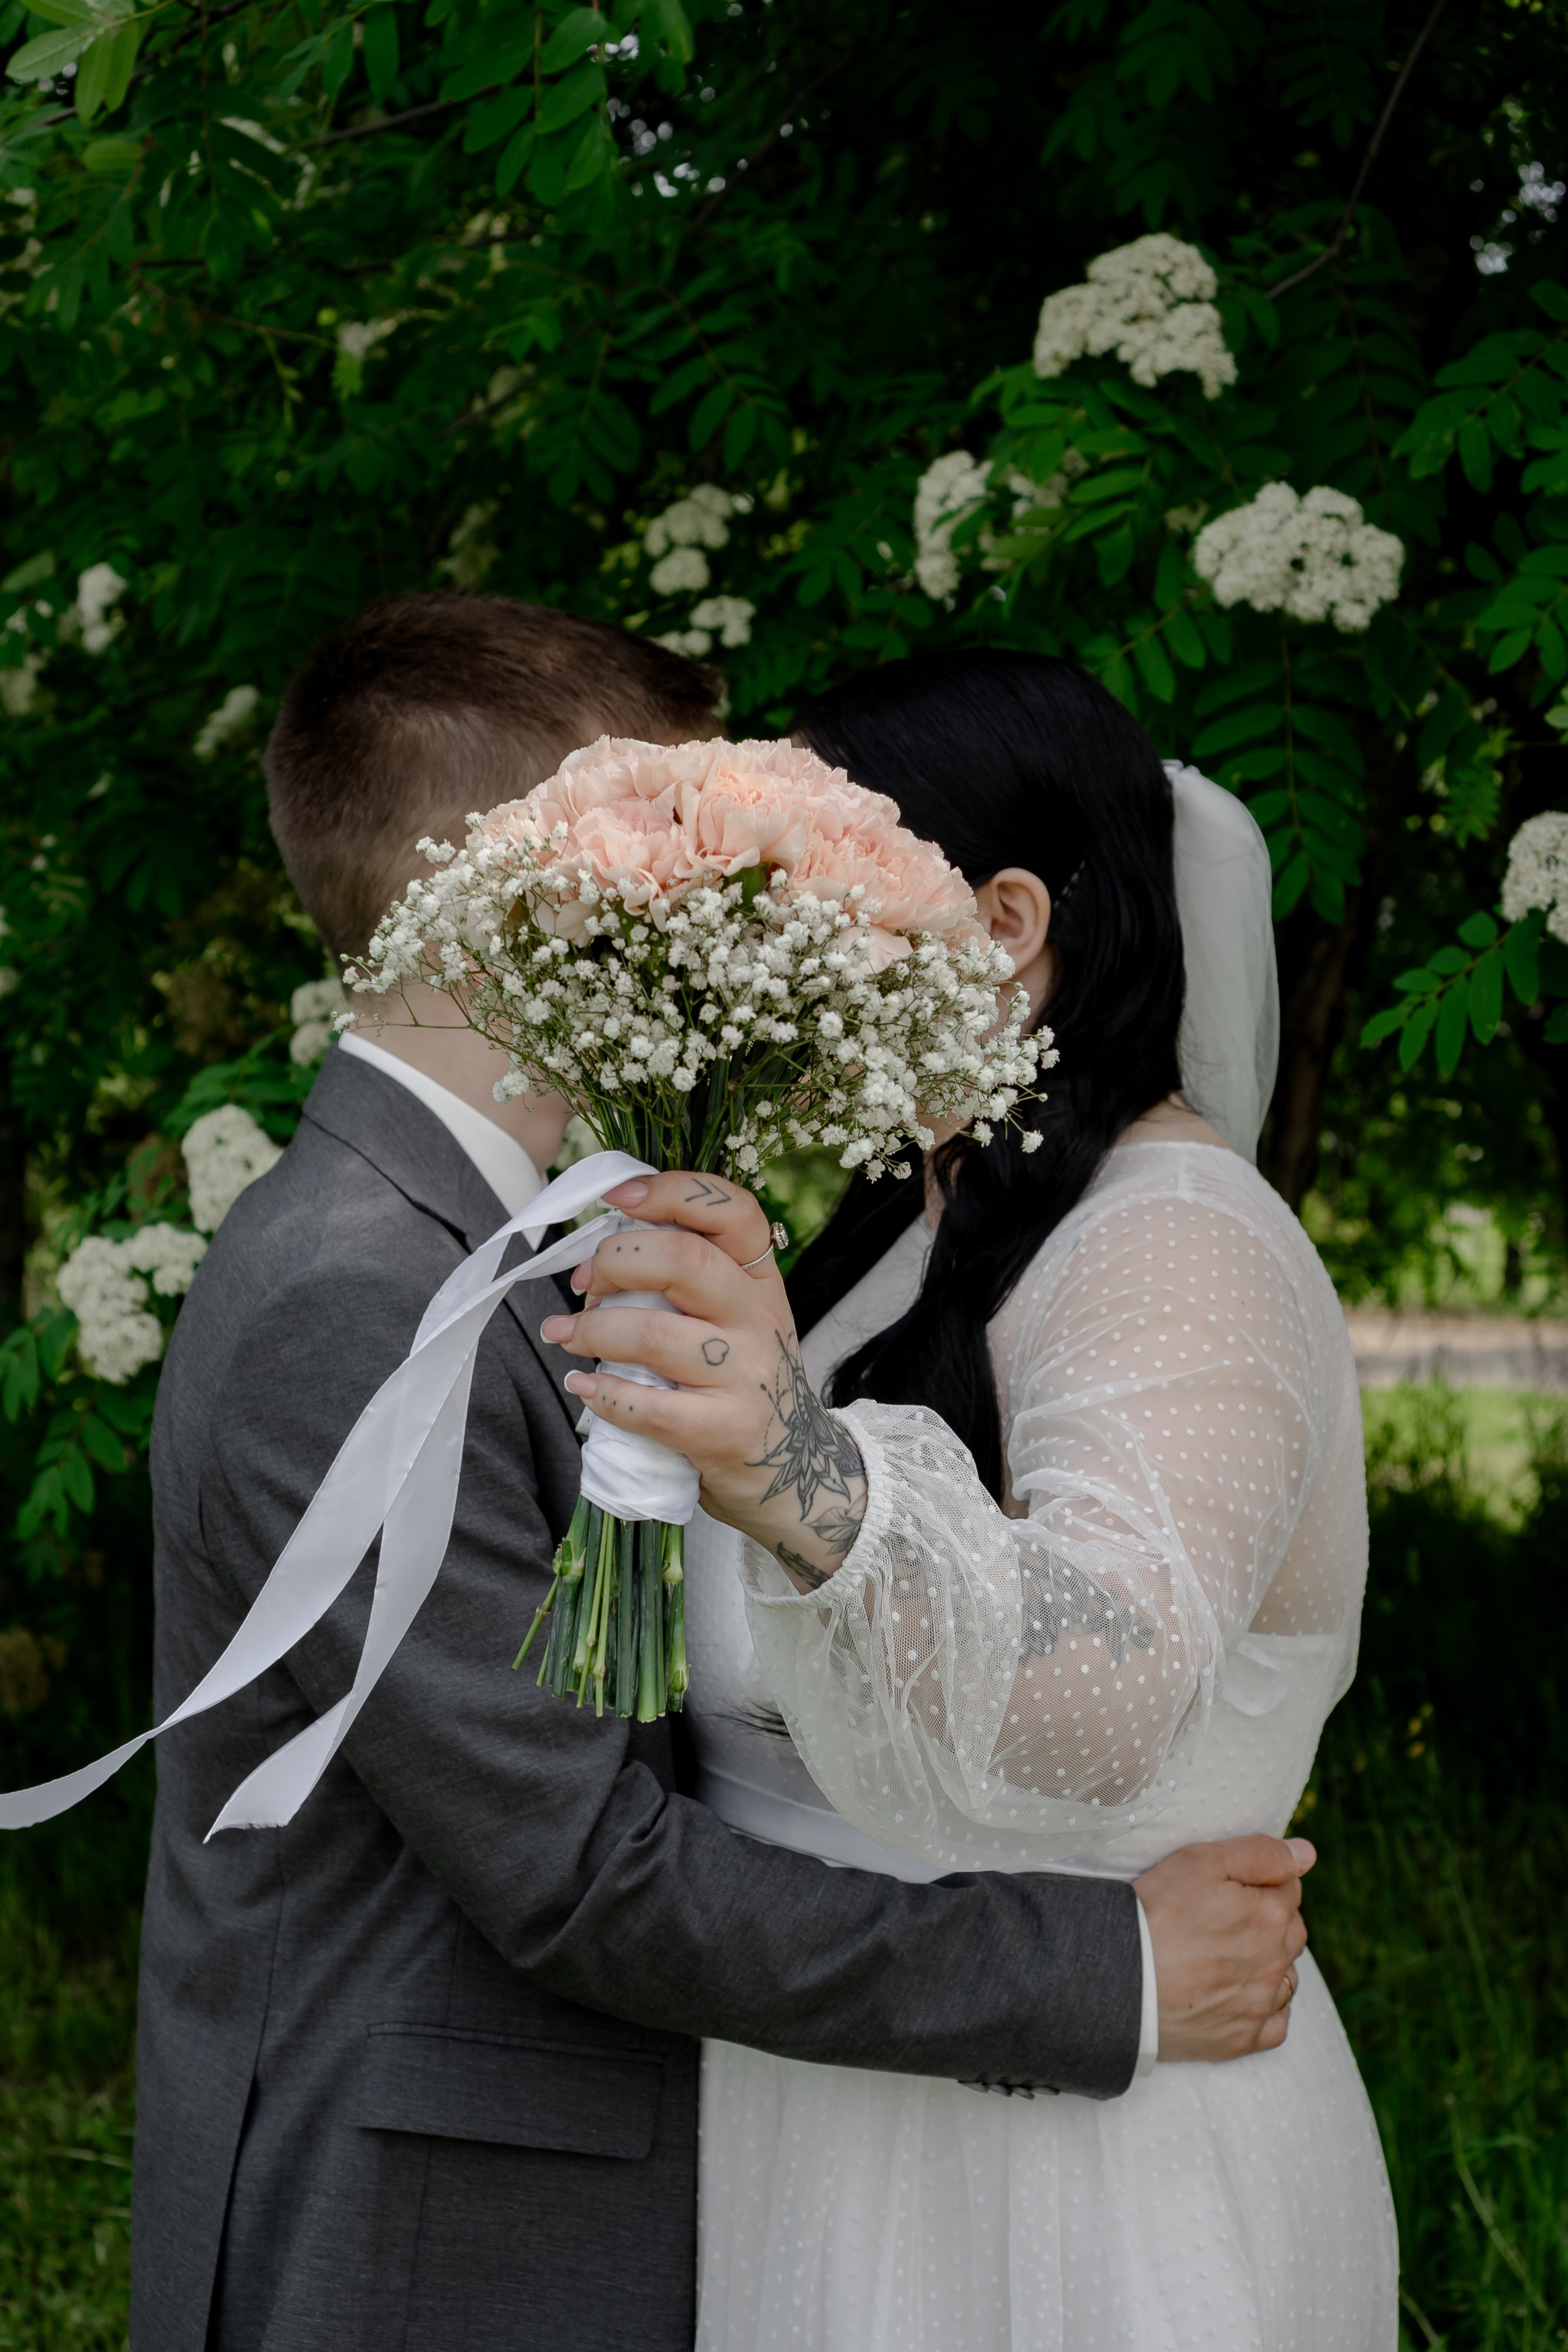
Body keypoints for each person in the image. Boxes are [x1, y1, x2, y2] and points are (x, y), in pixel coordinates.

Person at [130, 602, 1313, 2352]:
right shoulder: (357, 1290)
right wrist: (1104, 1970)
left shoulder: (518, 1224)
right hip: (431, 2235)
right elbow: (580, 1875)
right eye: (684, 827)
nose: (737, 882)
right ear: (543, 879)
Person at [542, 649, 1397, 2351]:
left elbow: (1105, 1691)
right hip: (828, 2115)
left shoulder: (1178, 1243)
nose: (770, 952)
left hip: (1077, 2170)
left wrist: (799, 1475)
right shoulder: (891, 1237)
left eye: (820, 895)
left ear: (1006, 919)